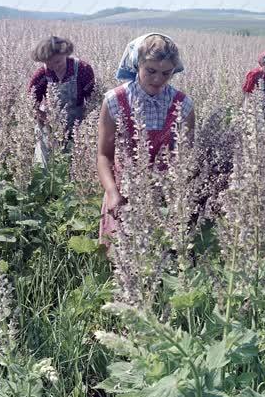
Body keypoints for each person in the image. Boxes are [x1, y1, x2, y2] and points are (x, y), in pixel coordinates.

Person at [97, 33, 195, 242]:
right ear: (137, 65)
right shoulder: (114, 100)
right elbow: (104, 156)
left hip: (164, 201)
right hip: (122, 197)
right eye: (150, 71)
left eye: (166, 73)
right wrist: (113, 193)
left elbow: (186, 159)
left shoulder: (183, 105)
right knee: (120, 265)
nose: (158, 79)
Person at [28, 36, 95, 166]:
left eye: (58, 62)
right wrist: (44, 118)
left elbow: (93, 98)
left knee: (77, 165)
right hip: (50, 125)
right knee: (46, 165)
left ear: (66, 54)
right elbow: (30, 102)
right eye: (49, 64)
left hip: (77, 123)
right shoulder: (41, 75)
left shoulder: (83, 69)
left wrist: (88, 123)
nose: (54, 67)